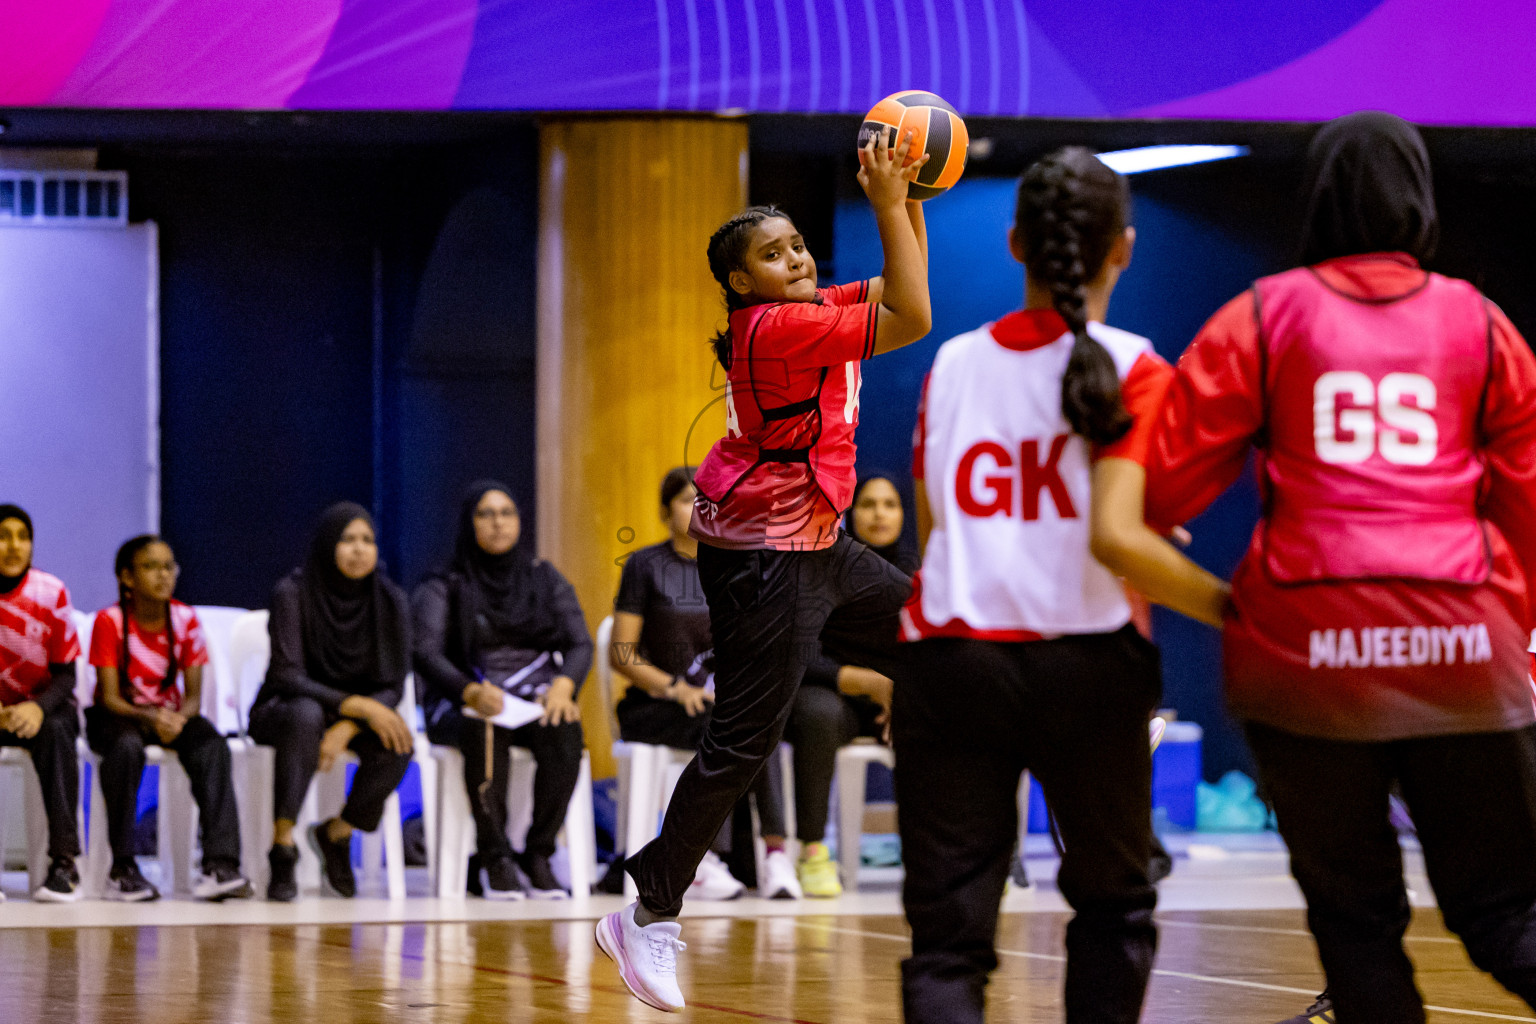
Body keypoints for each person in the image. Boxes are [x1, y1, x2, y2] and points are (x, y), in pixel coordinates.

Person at [1146, 111, 1536, 1023]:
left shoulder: (1259, 313)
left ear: (1314, 198)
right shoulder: (1483, 322)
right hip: (1461, 644)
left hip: (1307, 654)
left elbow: (1161, 490)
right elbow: (1525, 503)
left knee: (1356, 928)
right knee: (1509, 911)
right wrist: (1503, 624)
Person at [596, 126, 934, 1013]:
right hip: (764, 559)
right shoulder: (778, 325)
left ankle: (1082, 734)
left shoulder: (810, 302)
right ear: (742, 283)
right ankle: (649, 914)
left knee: (944, 633)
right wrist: (890, 207)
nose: (794, 258)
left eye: (796, 244)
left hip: (817, 539)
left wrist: (915, 198)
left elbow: (906, 289)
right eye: (772, 254)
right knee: (744, 741)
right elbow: (917, 318)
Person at [894, 147, 1229, 1024]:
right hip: (1089, 665)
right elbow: (1118, 536)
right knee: (1113, 906)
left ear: (1013, 244)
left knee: (946, 944)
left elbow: (939, 531)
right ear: (1123, 247)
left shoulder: (953, 365)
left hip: (952, 660)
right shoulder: (1141, 369)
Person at [610, 466, 796, 901]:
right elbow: (621, 652)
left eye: (708, 499)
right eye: (685, 498)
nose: (699, 507)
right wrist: (675, 688)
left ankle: (774, 854)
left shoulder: (735, 566)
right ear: (664, 511)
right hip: (658, 705)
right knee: (727, 721)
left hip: (718, 702)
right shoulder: (646, 565)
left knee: (754, 716)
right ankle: (703, 859)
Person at [414, 482, 590, 900]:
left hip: (531, 700)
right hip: (462, 702)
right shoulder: (446, 582)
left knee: (564, 728)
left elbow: (580, 641)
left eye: (507, 512)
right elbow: (425, 651)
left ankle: (539, 853)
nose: (498, 522)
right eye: (486, 514)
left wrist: (564, 686)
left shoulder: (543, 577)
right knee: (485, 728)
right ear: (469, 523)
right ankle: (495, 857)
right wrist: (470, 691)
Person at [248, 503, 414, 901]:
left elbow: (392, 683)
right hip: (286, 707)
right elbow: (286, 676)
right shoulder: (292, 592)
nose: (359, 550)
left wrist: (351, 723)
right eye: (347, 540)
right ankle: (283, 846)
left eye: (367, 541)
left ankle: (337, 833)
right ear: (327, 545)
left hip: (352, 714)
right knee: (305, 717)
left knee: (397, 741)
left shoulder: (389, 600)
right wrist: (357, 707)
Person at [86, 535, 252, 902]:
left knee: (211, 745)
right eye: (150, 567)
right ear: (127, 578)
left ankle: (220, 865)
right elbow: (110, 697)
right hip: (120, 716)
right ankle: (123, 869)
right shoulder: (109, 622)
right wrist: (149, 718)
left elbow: (193, 696)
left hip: (169, 715)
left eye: (168, 566)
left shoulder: (185, 619)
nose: (163, 575)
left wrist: (178, 719)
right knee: (126, 749)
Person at [784, 472, 916, 897]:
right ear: (849, 514)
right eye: (868, 504)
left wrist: (903, 693)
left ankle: (947, 856)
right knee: (816, 714)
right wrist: (862, 680)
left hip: (895, 697)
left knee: (939, 716)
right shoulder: (821, 569)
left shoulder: (917, 574)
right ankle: (813, 853)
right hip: (834, 691)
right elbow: (796, 654)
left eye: (890, 504)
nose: (879, 513)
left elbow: (931, 652)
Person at [0, 504, 85, 902]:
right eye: (3, 536)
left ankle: (63, 863)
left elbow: (66, 674)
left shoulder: (51, 592)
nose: (13, 546)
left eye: (22, 536)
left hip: (40, 706)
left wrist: (37, 707)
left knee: (58, 729)